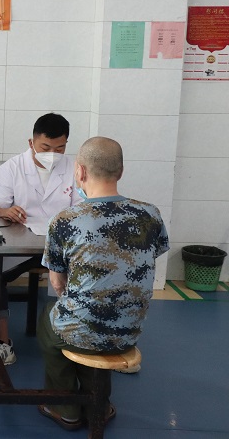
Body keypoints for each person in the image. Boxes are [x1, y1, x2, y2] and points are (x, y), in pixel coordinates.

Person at [37, 137, 168, 431]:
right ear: (120, 171)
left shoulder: (65, 220)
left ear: (80, 172)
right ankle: (99, 402)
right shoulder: (151, 214)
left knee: (50, 324)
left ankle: (65, 406)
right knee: (95, 324)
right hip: (129, 331)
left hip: (81, 329)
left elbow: (57, 283)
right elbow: (150, 256)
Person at [0, 113, 82, 373]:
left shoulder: (75, 169)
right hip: (20, 241)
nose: (52, 154)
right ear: (31, 142)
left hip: (62, 244)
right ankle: (2, 344)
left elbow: (83, 208)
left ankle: (84, 342)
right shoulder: (12, 167)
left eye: (60, 148)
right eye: (45, 147)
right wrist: (6, 211)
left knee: (89, 274)